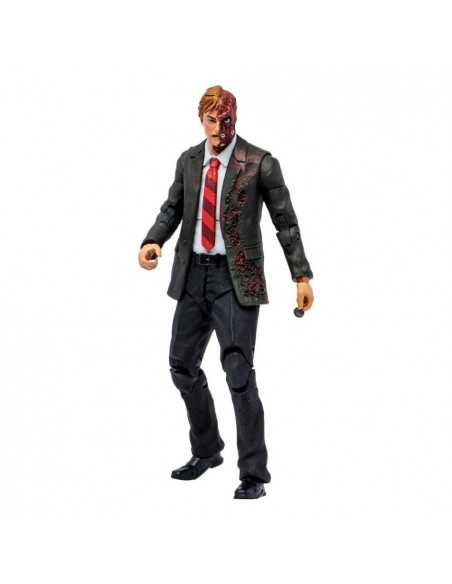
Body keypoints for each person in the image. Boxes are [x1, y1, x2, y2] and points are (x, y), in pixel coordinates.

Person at [138, 85, 314, 499]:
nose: (219, 128)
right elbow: (173, 208)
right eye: (212, 120)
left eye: (227, 120)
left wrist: (301, 276)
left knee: (238, 371)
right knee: (181, 366)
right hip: (192, 277)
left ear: (237, 118)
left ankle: (253, 472)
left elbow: (286, 222)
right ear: (201, 119)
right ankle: (207, 449)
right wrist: (153, 240)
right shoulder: (189, 161)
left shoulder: (260, 163)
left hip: (236, 280)